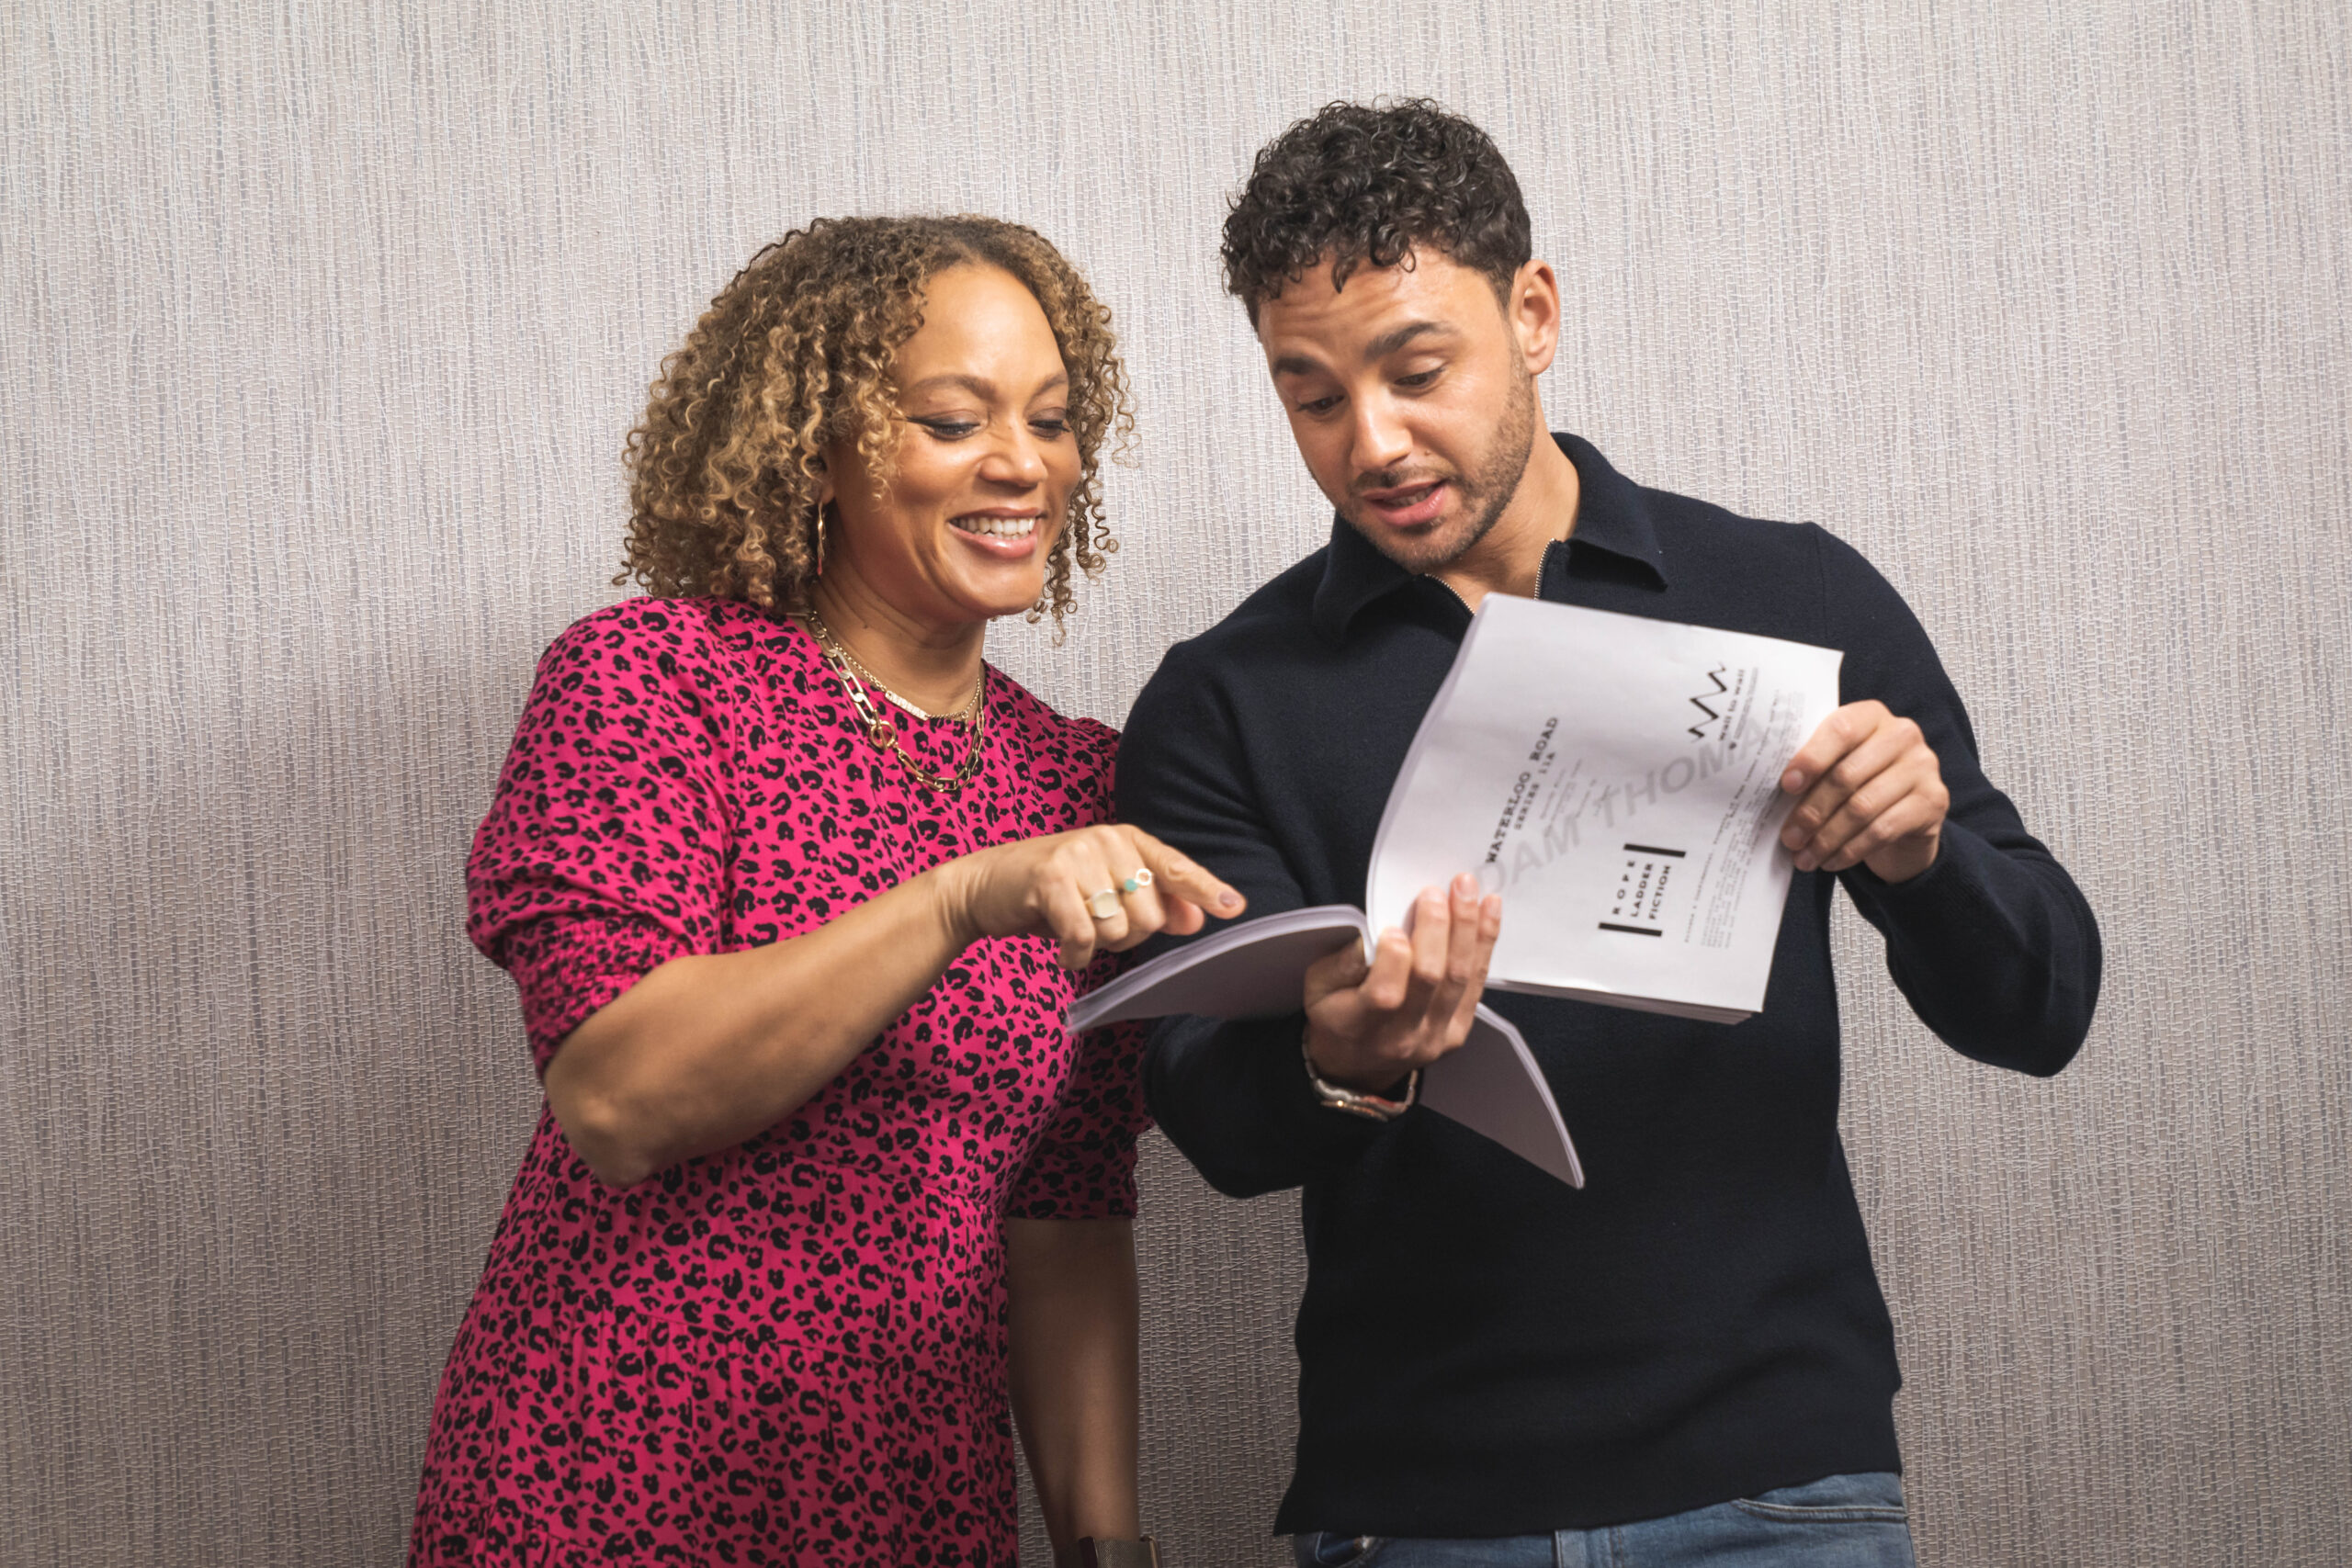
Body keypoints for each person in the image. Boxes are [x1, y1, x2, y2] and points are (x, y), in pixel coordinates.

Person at [1116, 101, 2101, 1567]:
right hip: (1418, 1509)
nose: (1373, 443)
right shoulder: (1222, 700)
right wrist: (1348, 1057)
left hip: (1784, 1488)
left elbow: (2043, 1008)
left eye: (1418, 372)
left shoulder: (1790, 595)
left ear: (1534, 315)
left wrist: (1924, 855)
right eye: (1311, 396)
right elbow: (1211, 1120)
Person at [410, 216, 1232, 1568]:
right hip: (610, 1483)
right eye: (954, 421)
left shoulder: (1072, 782)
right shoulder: (653, 685)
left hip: (914, 1503)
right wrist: (960, 901)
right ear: (816, 447)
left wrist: (1108, 1545)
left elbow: (1068, 1212)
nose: (1022, 462)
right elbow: (618, 1101)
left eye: (1051, 419)